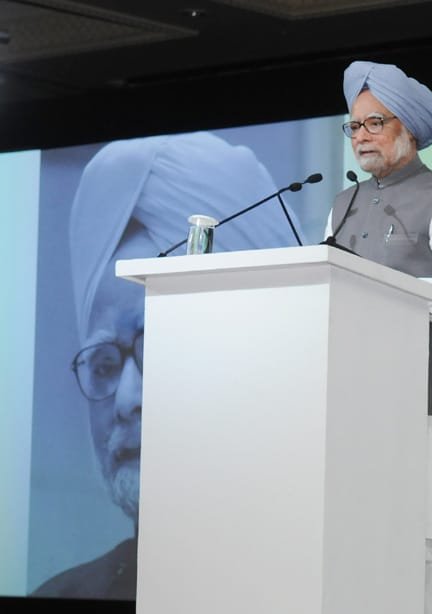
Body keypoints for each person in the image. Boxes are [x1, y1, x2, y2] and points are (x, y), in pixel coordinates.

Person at [31, 130, 303, 599]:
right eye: (103, 364)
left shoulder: (331, 585)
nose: (126, 401)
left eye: (161, 347)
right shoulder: (63, 597)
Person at [325, 60, 432, 614]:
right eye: (354, 126)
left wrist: (400, 290)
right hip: (349, 404)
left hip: (421, 401)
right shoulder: (342, 204)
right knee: (352, 534)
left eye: (376, 123)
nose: (362, 138)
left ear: (410, 130)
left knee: (427, 543)